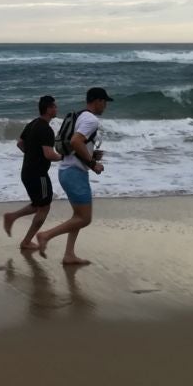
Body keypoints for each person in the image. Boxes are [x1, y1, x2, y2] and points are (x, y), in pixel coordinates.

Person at [36, 86, 113, 265]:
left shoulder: (80, 115)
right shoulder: (91, 120)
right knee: (84, 218)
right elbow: (75, 141)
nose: (106, 106)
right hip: (74, 174)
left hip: (67, 170)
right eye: (105, 102)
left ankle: (69, 254)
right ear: (97, 101)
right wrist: (93, 163)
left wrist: (91, 154)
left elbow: (75, 146)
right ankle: (46, 236)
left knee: (77, 216)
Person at [2, 95, 63, 250]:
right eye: (54, 106)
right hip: (39, 174)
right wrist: (64, 157)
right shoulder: (46, 129)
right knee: (44, 207)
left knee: (38, 204)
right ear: (48, 109)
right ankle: (26, 241)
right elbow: (49, 154)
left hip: (27, 172)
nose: (56, 109)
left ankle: (11, 217)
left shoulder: (32, 124)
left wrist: (32, 155)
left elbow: (20, 144)